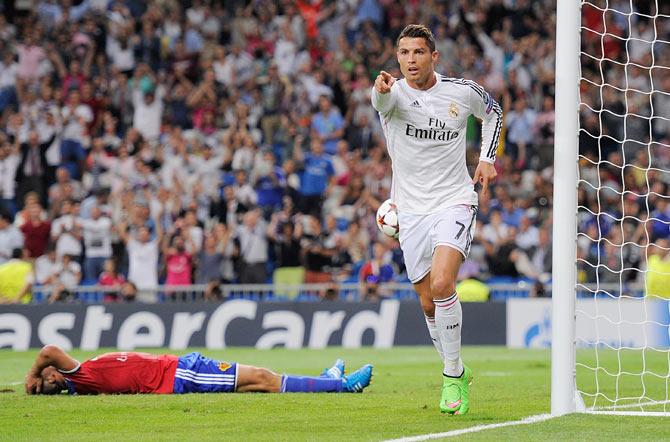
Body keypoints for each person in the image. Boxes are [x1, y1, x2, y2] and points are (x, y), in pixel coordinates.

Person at [371, 24, 502, 415]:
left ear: (433, 57)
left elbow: (493, 111)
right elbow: (381, 104)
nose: (411, 60)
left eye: (418, 52)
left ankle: (449, 376)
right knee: (428, 303)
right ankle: (458, 369)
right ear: (397, 58)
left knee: (444, 282)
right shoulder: (390, 94)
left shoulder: (461, 92)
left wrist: (487, 159)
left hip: (454, 200)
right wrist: (379, 91)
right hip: (410, 210)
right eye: (404, 53)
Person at [25, 345, 373, 396]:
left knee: (255, 383)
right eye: (48, 378)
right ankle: (339, 386)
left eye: (48, 374)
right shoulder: (78, 376)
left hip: (177, 368)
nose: (52, 372)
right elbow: (48, 351)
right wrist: (31, 375)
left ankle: (328, 380)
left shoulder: (79, 379)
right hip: (178, 374)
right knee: (263, 378)